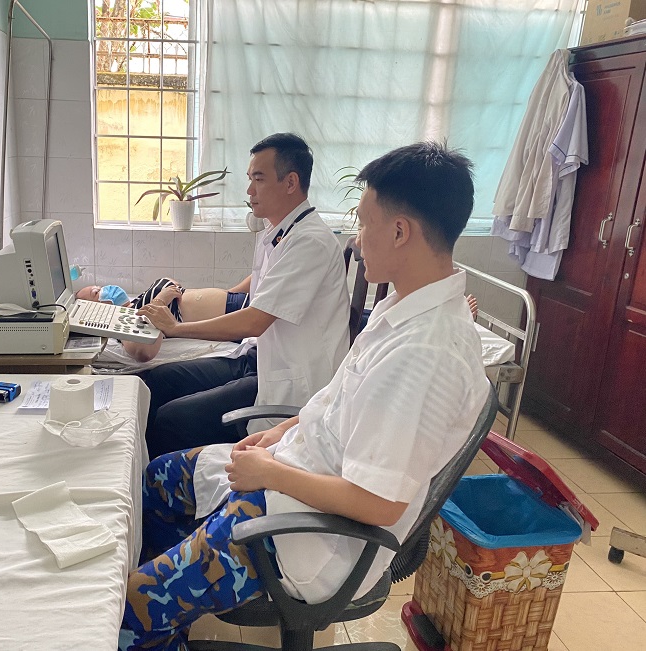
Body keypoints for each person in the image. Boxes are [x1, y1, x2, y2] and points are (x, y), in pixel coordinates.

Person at [118, 141, 489, 651]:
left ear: (400, 231)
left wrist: (268, 473)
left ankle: (155, 613)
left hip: (307, 535)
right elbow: (336, 398)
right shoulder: (401, 309)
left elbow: (379, 503)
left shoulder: (424, 354)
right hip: (295, 469)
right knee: (156, 479)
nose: (357, 240)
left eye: (364, 223)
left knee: (123, 611)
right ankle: (172, 611)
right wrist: (280, 432)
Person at [137, 133, 350, 458]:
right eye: (250, 179)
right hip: (259, 358)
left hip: (285, 381)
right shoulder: (279, 231)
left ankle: (163, 484)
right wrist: (226, 295)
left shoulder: (310, 242)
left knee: (171, 420)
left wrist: (176, 328)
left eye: (258, 179)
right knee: (157, 381)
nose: (249, 190)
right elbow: (262, 283)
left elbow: (255, 321)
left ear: (291, 182)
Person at [75, 279, 251, 362]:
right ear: (95, 309)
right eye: (96, 292)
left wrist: (233, 292)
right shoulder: (126, 324)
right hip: (238, 316)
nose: (105, 288)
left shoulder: (139, 301)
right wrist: (160, 300)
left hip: (240, 299)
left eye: (100, 286)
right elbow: (143, 353)